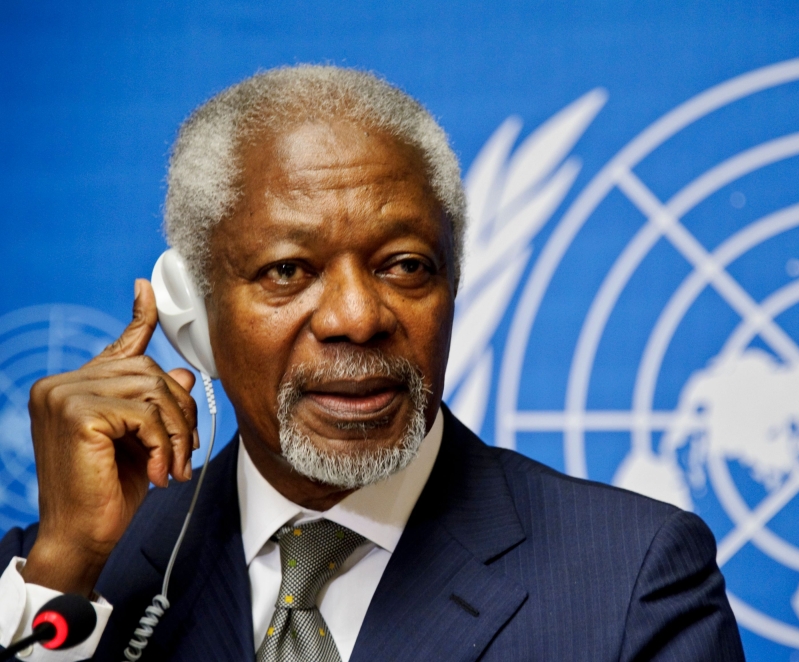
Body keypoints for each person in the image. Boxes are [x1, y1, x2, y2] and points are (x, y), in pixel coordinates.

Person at [0, 65, 745, 661]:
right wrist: (66, 566)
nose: (357, 319)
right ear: (191, 314)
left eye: (406, 266)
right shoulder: (65, 571)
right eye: (289, 271)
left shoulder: (633, 579)